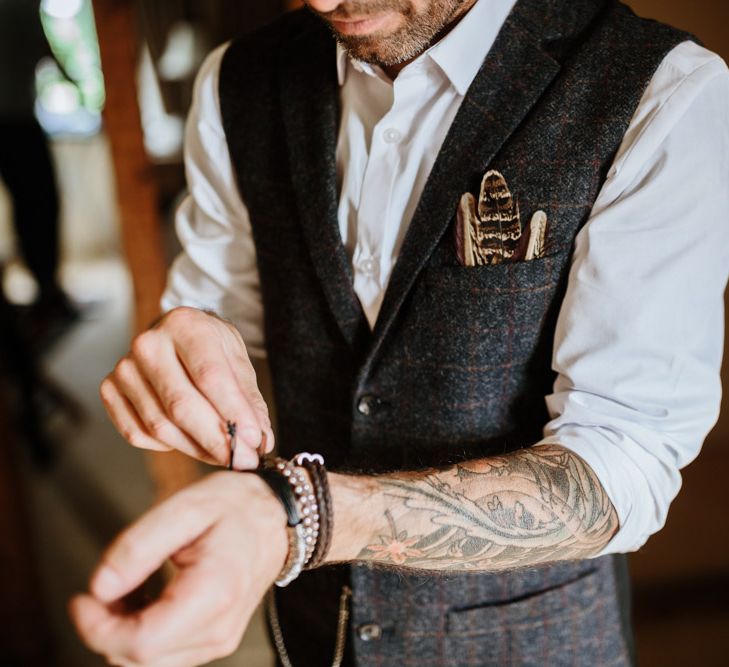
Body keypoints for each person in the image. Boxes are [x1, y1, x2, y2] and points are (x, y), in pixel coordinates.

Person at [71, 0, 729, 665]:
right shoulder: (236, 80)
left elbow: (622, 462)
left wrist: (300, 516)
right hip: (312, 631)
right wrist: (185, 340)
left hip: (526, 640)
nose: (323, 2)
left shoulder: (659, 88)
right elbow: (216, 303)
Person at [0, 0, 79, 352]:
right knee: (39, 207)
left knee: (35, 208)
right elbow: (43, 48)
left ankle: (46, 290)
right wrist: (73, 82)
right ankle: (46, 291)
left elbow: (42, 47)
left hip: (20, 119)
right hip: (16, 124)